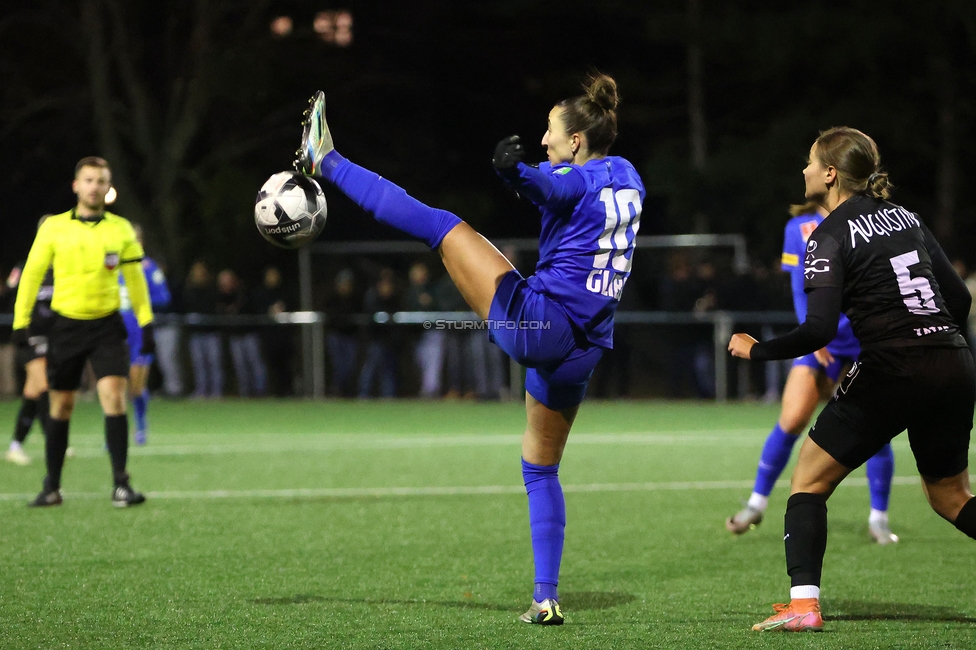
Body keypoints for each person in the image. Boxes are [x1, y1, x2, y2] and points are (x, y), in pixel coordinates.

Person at [295, 73, 644, 624]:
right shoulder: (626, 175)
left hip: (539, 325)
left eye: (551, 130)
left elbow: (554, 188)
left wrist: (515, 173)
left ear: (576, 140)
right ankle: (545, 597)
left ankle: (327, 161)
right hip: (585, 346)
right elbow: (560, 186)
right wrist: (526, 177)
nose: (545, 136)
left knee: (440, 226)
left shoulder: (571, 181)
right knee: (541, 469)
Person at [728, 128, 975, 632]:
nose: (804, 171)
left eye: (810, 163)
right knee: (952, 498)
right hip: (953, 360)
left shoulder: (827, 235)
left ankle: (803, 607)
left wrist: (760, 351)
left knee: (808, 480)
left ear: (831, 174)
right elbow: (961, 300)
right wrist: (937, 343)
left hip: (891, 366)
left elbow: (818, 328)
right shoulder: (907, 217)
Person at [726, 202, 898, 545]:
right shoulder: (799, 228)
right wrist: (813, 330)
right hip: (821, 339)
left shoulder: (868, 223)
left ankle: (879, 518)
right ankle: (756, 504)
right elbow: (796, 284)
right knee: (791, 420)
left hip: (865, 339)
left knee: (876, 430)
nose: (808, 171)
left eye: (814, 163)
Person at [12, 156, 154, 507]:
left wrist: (146, 320)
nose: (94, 186)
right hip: (66, 326)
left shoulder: (120, 230)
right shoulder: (55, 228)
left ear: (108, 189)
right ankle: (52, 486)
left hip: (107, 326)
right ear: (77, 185)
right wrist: (20, 322)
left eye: (101, 181)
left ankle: (121, 485)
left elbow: (135, 280)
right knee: (61, 406)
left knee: (115, 398)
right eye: (88, 180)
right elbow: (30, 276)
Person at [5, 220, 54, 465]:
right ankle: (54, 441)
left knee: (32, 392)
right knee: (44, 386)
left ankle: (15, 446)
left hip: (52, 340)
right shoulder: (26, 266)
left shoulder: (63, 269)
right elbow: (10, 293)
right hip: (27, 337)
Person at [119, 224, 171, 444]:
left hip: (140, 333)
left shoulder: (148, 267)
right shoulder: (112, 266)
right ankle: (116, 432)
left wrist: (142, 298)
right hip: (115, 333)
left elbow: (164, 297)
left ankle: (140, 424)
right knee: (114, 385)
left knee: (136, 386)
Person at [183, 260, 223, 398]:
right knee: (199, 365)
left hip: (211, 332)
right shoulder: (189, 288)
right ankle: (201, 391)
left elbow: (214, 307)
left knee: (214, 363)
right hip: (196, 333)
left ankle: (216, 392)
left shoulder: (211, 288)